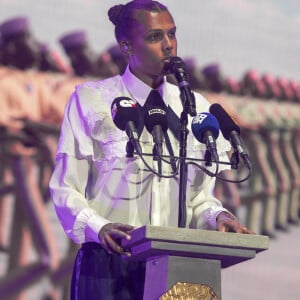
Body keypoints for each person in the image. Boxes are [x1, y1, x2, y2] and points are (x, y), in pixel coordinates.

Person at [49, 1, 254, 299]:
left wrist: (218, 217)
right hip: (110, 264)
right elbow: (65, 188)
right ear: (127, 46)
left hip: (176, 265)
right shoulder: (92, 100)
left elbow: (198, 198)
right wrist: (100, 227)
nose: (169, 45)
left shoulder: (194, 106)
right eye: (155, 37)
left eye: (172, 34)